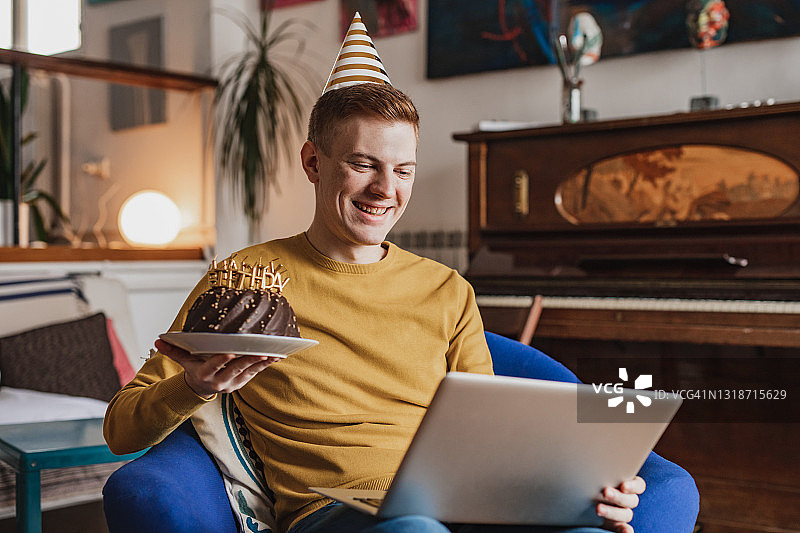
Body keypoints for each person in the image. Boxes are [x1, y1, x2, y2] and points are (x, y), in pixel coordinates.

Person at [103, 14, 644, 533]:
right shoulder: (247, 280)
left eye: (402, 170)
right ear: (313, 163)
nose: (386, 191)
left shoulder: (447, 290)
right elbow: (121, 429)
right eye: (363, 165)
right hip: (336, 513)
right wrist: (194, 387)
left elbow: (487, 440)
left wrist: (578, 489)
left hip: (455, 504)